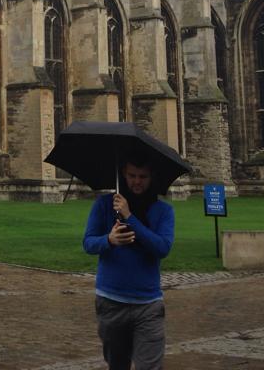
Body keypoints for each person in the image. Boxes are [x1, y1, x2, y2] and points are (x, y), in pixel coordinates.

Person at [83, 154, 175, 370]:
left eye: (142, 176)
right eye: (132, 175)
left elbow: (162, 248)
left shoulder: (163, 211)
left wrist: (129, 216)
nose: (137, 181)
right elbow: (88, 243)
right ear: (123, 174)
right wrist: (109, 240)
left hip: (148, 305)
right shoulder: (104, 205)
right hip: (111, 303)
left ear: (151, 177)